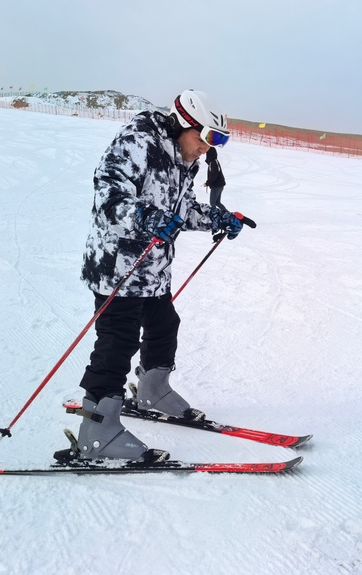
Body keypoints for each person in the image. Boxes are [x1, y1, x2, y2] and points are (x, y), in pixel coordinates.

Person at [75, 89, 244, 462]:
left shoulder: (183, 159)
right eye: (204, 138)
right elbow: (108, 198)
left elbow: (181, 209)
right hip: (117, 266)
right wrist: (144, 216)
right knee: (117, 342)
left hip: (152, 271)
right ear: (183, 124)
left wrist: (218, 217)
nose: (205, 149)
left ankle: (153, 391)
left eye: (214, 142)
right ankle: (97, 430)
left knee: (165, 325)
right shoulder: (137, 143)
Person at [204, 146, 227, 212]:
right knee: (217, 203)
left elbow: (214, 175)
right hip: (219, 185)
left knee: (212, 203)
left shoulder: (213, 163)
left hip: (216, 186)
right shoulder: (215, 161)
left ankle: (214, 215)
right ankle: (227, 213)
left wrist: (207, 183)